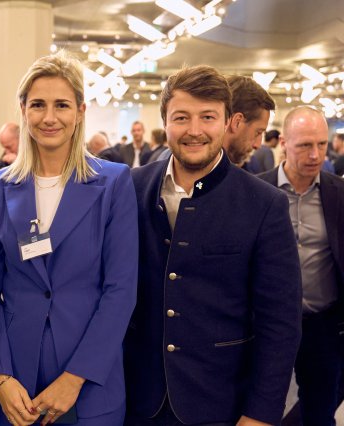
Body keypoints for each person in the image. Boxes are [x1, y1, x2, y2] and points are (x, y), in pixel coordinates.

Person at [124, 65, 302, 426]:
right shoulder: (130, 189)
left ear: (227, 122)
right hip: (136, 399)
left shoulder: (263, 204)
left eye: (207, 117)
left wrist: (260, 414)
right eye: (181, 117)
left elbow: (280, 322)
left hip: (221, 403)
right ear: (165, 122)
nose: (194, 130)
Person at [0, 51, 139, 426]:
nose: (49, 117)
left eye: (61, 105)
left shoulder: (113, 182)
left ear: (80, 111)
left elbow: (121, 290)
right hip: (17, 383)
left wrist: (75, 378)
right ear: (23, 110)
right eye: (38, 105)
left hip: (90, 381)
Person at [258, 106, 344, 425]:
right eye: (305, 145)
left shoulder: (339, 194)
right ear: (284, 143)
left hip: (323, 326)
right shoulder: (257, 191)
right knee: (260, 409)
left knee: (320, 413)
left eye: (321, 144)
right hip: (267, 326)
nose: (315, 155)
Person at [156, 75, 275, 168]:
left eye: (207, 117)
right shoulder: (169, 164)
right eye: (258, 133)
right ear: (236, 122)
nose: (257, 145)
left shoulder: (246, 170)